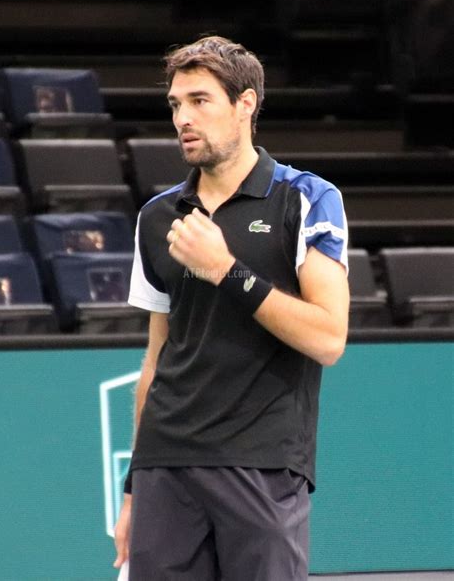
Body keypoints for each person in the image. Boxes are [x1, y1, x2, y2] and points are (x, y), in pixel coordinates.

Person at [114, 35, 350, 581]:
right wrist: (134, 487)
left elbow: (328, 337)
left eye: (200, 100)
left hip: (263, 463)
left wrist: (225, 270)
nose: (183, 119)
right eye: (175, 104)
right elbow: (156, 357)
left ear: (246, 105)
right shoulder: (157, 216)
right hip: (165, 470)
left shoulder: (307, 198)